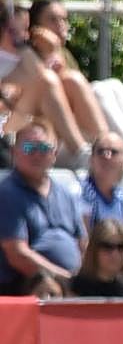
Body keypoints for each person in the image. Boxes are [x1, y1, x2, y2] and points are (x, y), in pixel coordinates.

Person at [0, 119, 86, 295]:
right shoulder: (7, 193)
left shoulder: (65, 193)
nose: (37, 154)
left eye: (44, 149)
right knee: (48, 288)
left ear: (54, 154)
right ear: (14, 152)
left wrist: (85, 279)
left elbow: (83, 243)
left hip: (70, 282)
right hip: (26, 284)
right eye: (29, 148)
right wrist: (64, 278)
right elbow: (18, 255)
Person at [0, 0, 91, 158]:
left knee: (67, 80)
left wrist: (53, 51)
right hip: (11, 144)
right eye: (16, 31)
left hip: (33, 140)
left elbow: (41, 78)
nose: (24, 36)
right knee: (47, 81)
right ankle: (82, 153)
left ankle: (96, 148)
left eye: (25, 29)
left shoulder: (24, 61)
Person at [27, 0, 110, 148]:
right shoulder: (27, 56)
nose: (61, 25)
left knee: (109, 87)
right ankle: (107, 148)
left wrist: (55, 51)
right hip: (42, 144)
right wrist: (50, 53)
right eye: (52, 19)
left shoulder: (64, 53)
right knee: (75, 80)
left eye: (64, 19)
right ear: (35, 27)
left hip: (79, 137)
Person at [80, 132, 123, 287]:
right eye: (101, 151)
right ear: (92, 159)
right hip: (89, 275)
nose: (107, 156)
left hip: (119, 273)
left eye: (114, 152)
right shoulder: (79, 193)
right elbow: (84, 244)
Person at [68, 218, 123, 298]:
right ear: (94, 250)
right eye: (107, 246)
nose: (115, 254)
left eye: (121, 247)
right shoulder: (75, 287)